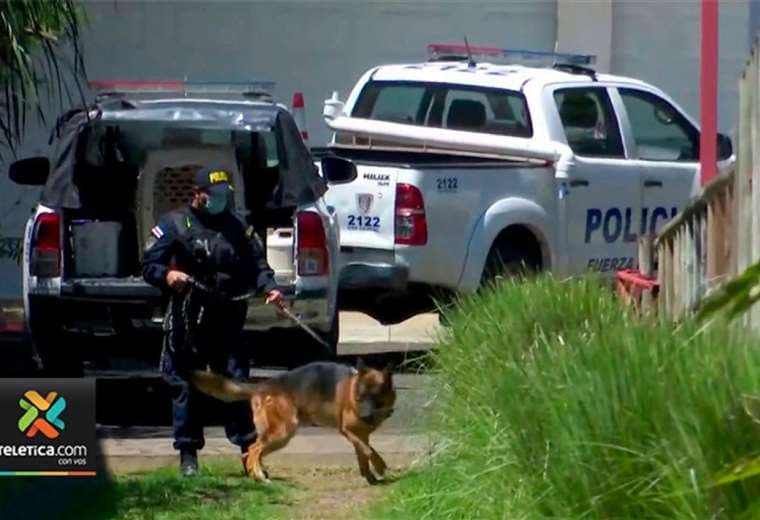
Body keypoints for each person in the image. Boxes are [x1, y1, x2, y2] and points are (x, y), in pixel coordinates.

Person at [142, 165, 284, 476]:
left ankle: (249, 454)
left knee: (234, 384)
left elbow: (259, 265)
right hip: (189, 318)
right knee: (186, 385)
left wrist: (270, 288)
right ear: (198, 194)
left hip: (228, 316)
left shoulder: (238, 226)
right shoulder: (175, 224)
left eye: (224, 195)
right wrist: (168, 275)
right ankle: (188, 456)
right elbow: (149, 265)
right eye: (215, 195)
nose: (221, 200)